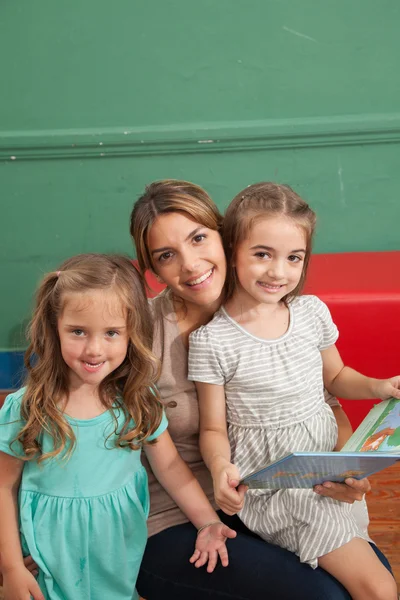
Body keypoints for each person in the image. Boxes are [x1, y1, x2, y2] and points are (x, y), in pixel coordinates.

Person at [130, 180, 391, 600]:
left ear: (225, 239)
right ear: (153, 269)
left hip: (272, 489)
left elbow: (325, 393)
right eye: (166, 255)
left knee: (373, 576)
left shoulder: (286, 309)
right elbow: (62, 419)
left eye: (199, 239)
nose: (192, 265)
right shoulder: (143, 335)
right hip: (174, 516)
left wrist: (346, 471)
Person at [0, 253, 236, 600]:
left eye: (111, 333)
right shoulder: (28, 407)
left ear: (131, 334)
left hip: (117, 554)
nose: (94, 349)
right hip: (46, 561)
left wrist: (208, 521)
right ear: (55, 328)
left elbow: (170, 467)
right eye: (78, 331)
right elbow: (3, 488)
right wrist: (10, 568)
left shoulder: (138, 400)